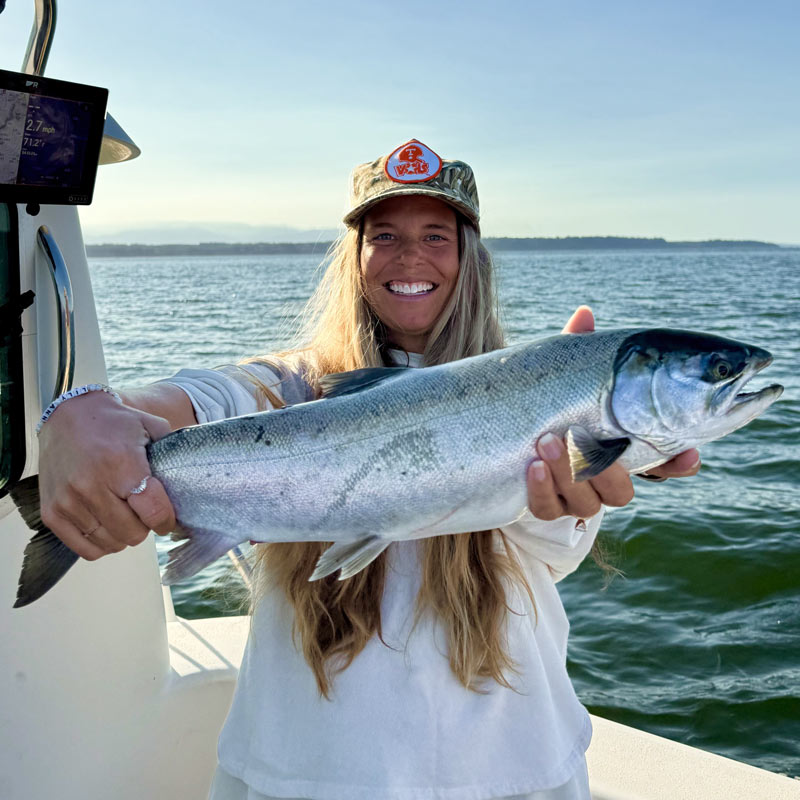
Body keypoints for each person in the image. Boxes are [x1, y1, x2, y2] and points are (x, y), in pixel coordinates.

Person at [37, 139, 701, 800]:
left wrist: (586, 470)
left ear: (470, 257)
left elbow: (551, 553)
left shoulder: (538, 389)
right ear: (354, 258)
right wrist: (88, 411)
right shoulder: (295, 385)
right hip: (305, 772)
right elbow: (199, 398)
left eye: (436, 235)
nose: (411, 255)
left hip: (508, 766)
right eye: (385, 234)